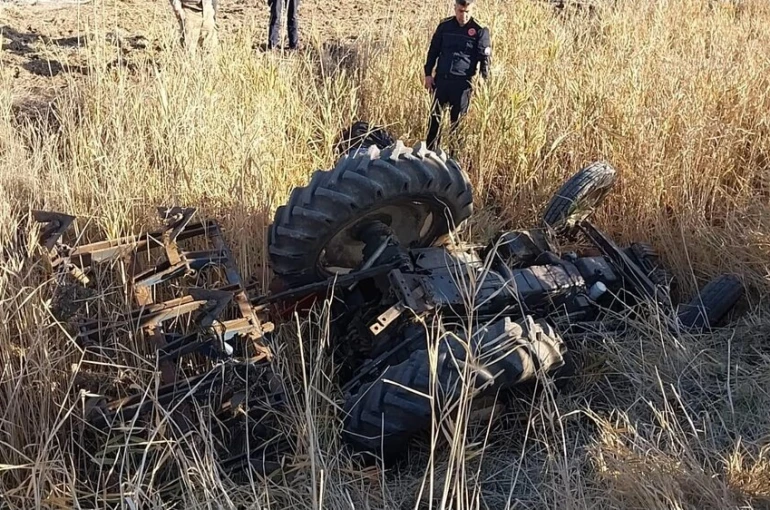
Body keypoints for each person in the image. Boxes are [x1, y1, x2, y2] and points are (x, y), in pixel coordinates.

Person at [423, 0, 491, 152]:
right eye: (460, 11)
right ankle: (430, 156)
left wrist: (482, 82)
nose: (464, 15)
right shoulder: (445, 26)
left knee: (457, 125)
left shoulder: (480, 29)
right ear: (455, 8)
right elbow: (433, 51)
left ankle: (454, 162)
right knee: (434, 121)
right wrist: (428, 74)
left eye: (467, 11)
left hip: (462, 84)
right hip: (441, 80)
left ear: (472, 9)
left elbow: (485, 60)